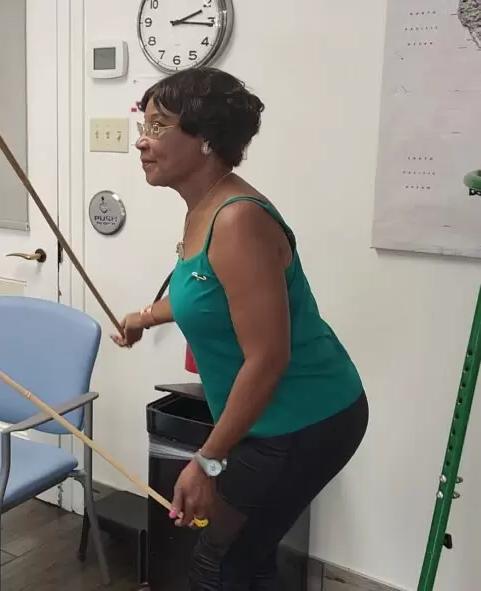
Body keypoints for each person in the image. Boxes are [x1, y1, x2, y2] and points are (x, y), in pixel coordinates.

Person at [111, 67, 369, 589]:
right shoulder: (203, 209)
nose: (142, 140)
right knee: (245, 551)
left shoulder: (237, 220)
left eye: (160, 127)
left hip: (305, 418)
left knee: (222, 560)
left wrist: (205, 461)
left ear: (205, 139)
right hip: (270, 417)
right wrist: (145, 316)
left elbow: (268, 358)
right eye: (145, 123)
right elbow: (206, 293)